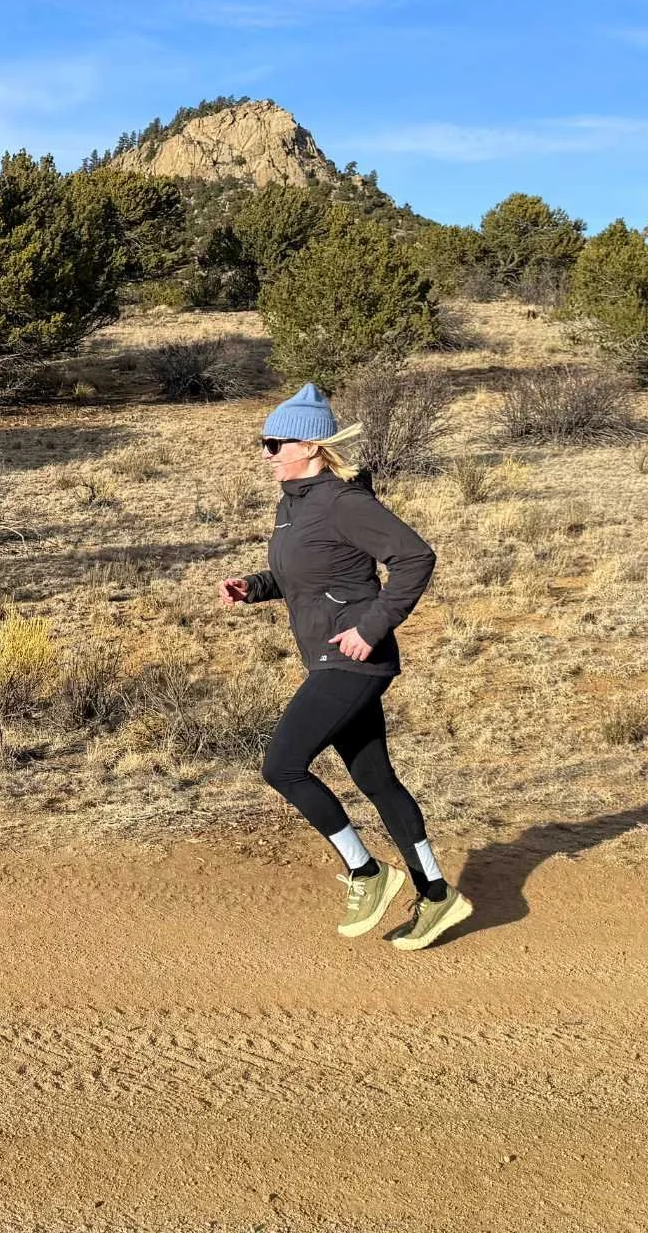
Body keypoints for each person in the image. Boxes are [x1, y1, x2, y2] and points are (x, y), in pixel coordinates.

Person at [217, 383, 473, 950]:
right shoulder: (294, 504)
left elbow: (415, 557)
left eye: (274, 442)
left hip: (353, 659)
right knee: (374, 777)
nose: (266, 453)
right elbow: (305, 575)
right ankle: (437, 896)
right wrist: (254, 587)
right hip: (327, 658)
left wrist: (371, 627)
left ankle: (368, 873)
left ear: (309, 446)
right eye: (264, 442)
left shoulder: (343, 501)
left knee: (281, 766)